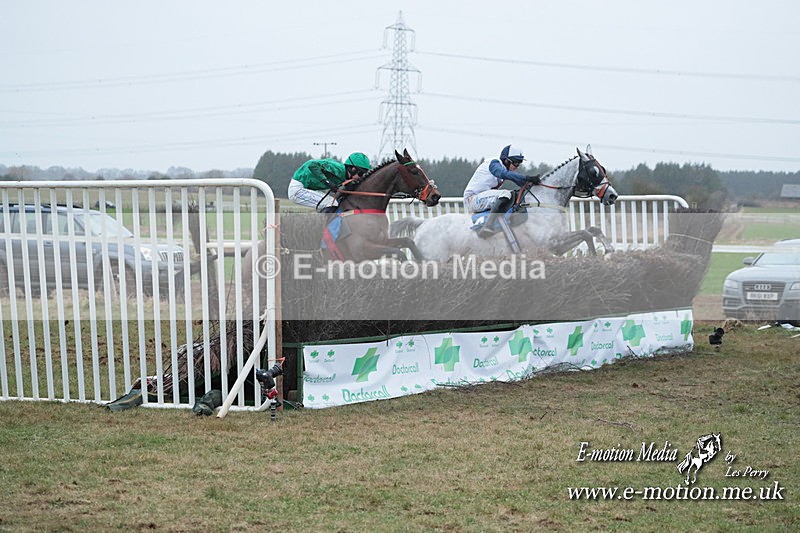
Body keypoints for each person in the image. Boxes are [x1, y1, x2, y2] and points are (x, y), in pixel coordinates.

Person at [462, 144, 540, 238]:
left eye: (519, 163)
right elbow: (503, 174)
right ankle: (488, 226)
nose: (517, 166)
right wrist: (527, 178)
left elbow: (520, 182)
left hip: (481, 198)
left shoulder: (503, 167)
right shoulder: (494, 163)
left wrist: (533, 183)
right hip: (472, 199)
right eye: (515, 163)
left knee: (513, 194)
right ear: (506, 160)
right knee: (506, 194)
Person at [287, 152, 371, 211]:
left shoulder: (346, 177)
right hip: (297, 190)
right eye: (360, 174)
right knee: (331, 203)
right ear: (353, 169)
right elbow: (312, 165)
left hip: (306, 189)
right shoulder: (337, 168)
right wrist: (327, 183)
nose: (360, 177)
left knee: (336, 203)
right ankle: (328, 234)